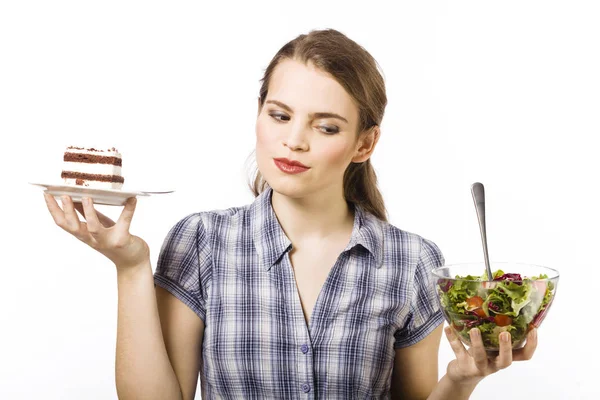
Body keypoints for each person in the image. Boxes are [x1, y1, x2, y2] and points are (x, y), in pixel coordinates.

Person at [44, 28, 538, 400]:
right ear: (259, 112)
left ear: (364, 143)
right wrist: (131, 266)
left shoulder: (411, 260)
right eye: (279, 115)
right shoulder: (201, 241)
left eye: (325, 127)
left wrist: (459, 379)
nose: (294, 140)